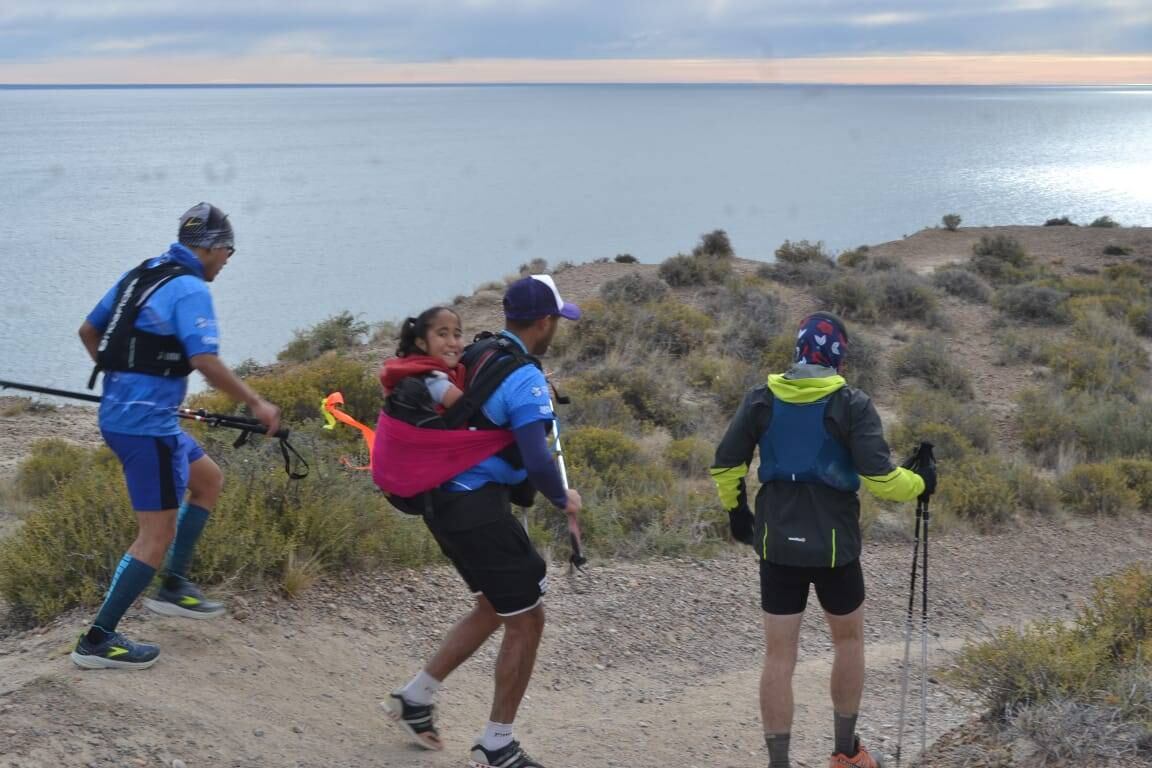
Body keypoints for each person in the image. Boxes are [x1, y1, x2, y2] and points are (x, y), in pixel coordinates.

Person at [710, 311, 935, 768]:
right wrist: (920, 483)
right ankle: (846, 752)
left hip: (776, 547)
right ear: (839, 358)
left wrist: (737, 510)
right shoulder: (852, 404)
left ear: (798, 349)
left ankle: (778, 763)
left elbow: (725, 464)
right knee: (849, 643)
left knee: (778, 656)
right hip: (836, 550)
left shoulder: (761, 399)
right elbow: (881, 478)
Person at [382, 274, 583, 768]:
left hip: (443, 501)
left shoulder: (477, 353)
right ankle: (497, 744)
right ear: (544, 322)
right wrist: (563, 497)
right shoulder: (523, 376)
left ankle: (416, 697)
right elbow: (537, 460)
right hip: (475, 507)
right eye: (557, 318)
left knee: (496, 604)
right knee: (528, 617)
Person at [71, 202, 281, 671]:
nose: (227, 261)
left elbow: (90, 331)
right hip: (147, 429)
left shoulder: (145, 273)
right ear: (211, 247)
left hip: (128, 416)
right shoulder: (189, 290)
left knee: (207, 480)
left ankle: (173, 586)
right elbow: (205, 361)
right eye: (228, 251)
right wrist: (256, 402)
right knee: (154, 535)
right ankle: (98, 639)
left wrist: (127, 381)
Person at [378, 306, 466, 414]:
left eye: (457, 335)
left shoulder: (413, 367)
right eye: (442, 334)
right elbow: (466, 406)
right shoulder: (434, 379)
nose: (452, 342)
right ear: (422, 343)